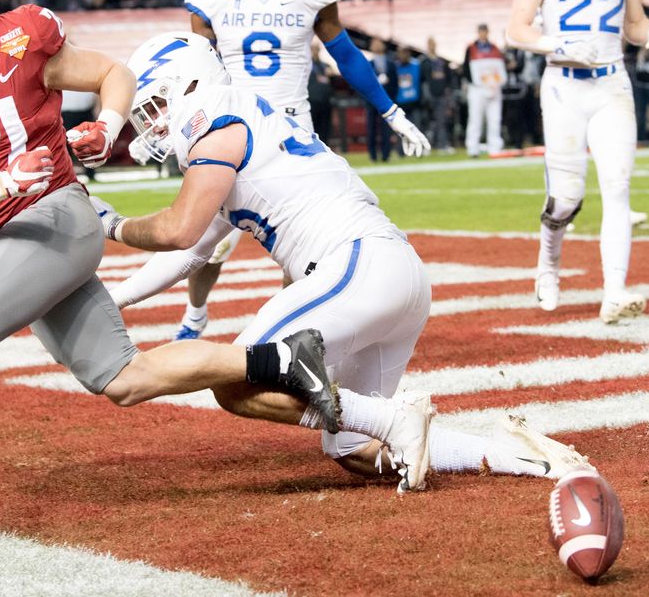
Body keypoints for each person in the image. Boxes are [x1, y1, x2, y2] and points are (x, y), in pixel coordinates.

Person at [0, 0, 340, 552]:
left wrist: (108, 125)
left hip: (57, 214)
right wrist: (3, 182)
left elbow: (113, 74)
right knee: (124, 378)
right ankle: (282, 359)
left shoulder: (20, 38)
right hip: (17, 229)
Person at [100, 32, 589, 489]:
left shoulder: (217, 123)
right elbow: (190, 251)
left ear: (190, 85)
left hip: (356, 264)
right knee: (354, 449)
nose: (154, 124)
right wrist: (113, 301)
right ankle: (521, 458)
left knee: (235, 378)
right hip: (389, 272)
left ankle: (395, 419)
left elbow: (178, 229)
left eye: (157, 105)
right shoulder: (240, 124)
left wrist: (111, 224)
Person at [145, 0, 429, 341]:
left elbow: (345, 54)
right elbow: (193, 66)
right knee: (209, 242)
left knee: (304, 245)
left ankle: (292, 334)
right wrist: (169, 124)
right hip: (230, 128)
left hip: (293, 129)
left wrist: (390, 111)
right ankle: (195, 314)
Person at [505, 0, 649, 324]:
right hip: (564, 85)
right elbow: (517, 29)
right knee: (566, 196)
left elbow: (633, 24)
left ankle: (615, 290)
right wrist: (557, 45)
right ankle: (548, 263)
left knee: (617, 186)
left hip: (611, 83)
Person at [463, 24, 506, 157]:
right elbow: (466, 68)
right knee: (475, 119)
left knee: (495, 119)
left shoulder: (495, 48)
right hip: (478, 89)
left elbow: (501, 69)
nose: (483, 34)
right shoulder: (471, 48)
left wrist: (495, 82)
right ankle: (473, 148)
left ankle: (495, 147)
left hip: (494, 88)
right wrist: (476, 83)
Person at [420, 37, 456, 152]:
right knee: (427, 122)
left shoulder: (442, 61)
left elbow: (449, 79)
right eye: (430, 43)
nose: (432, 46)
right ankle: (425, 146)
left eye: (433, 43)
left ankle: (442, 144)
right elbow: (421, 80)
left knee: (441, 121)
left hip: (441, 95)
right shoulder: (424, 62)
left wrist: (448, 93)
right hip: (428, 96)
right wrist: (424, 95)